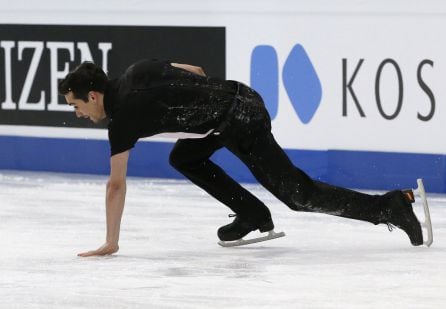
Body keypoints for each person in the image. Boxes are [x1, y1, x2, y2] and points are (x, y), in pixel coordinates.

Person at [58, 59, 424, 257]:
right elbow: (196, 71)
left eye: (76, 106)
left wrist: (111, 241)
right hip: (234, 102)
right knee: (184, 158)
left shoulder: (122, 122)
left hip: (240, 119)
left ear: (92, 95)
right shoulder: (136, 70)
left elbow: (115, 184)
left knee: (299, 195)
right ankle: (252, 213)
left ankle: (389, 207)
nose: (78, 114)